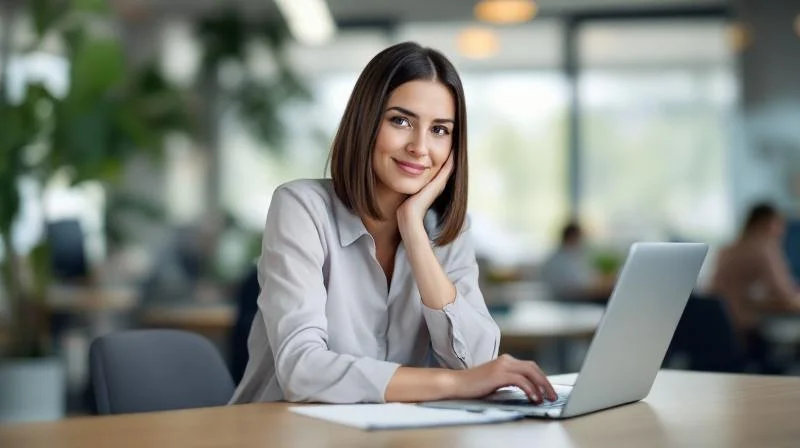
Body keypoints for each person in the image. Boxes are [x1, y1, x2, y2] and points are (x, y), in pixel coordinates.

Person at [229, 42, 557, 405]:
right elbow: (302, 370)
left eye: (440, 130)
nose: (420, 146)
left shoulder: (448, 228)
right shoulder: (301, 208)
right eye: (401, 121)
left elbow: (477, 362)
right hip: (280, 431)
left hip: (393, 434)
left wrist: (414, 231)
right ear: (366, 123)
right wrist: (451, 384)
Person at [709, 202, 800, 370]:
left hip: (717, 331)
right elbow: (785, 295)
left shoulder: (729, 248)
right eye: (779, 224)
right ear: (766, 223)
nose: (782, 230)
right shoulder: (762, 247)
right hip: (744, 333)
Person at [540, 221, 614, 303]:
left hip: (575, 298)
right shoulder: (559, 261)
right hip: (569, 300)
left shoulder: (574, 256)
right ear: (571, 237)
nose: (581, 242)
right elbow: (574, 287)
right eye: (579, 237)